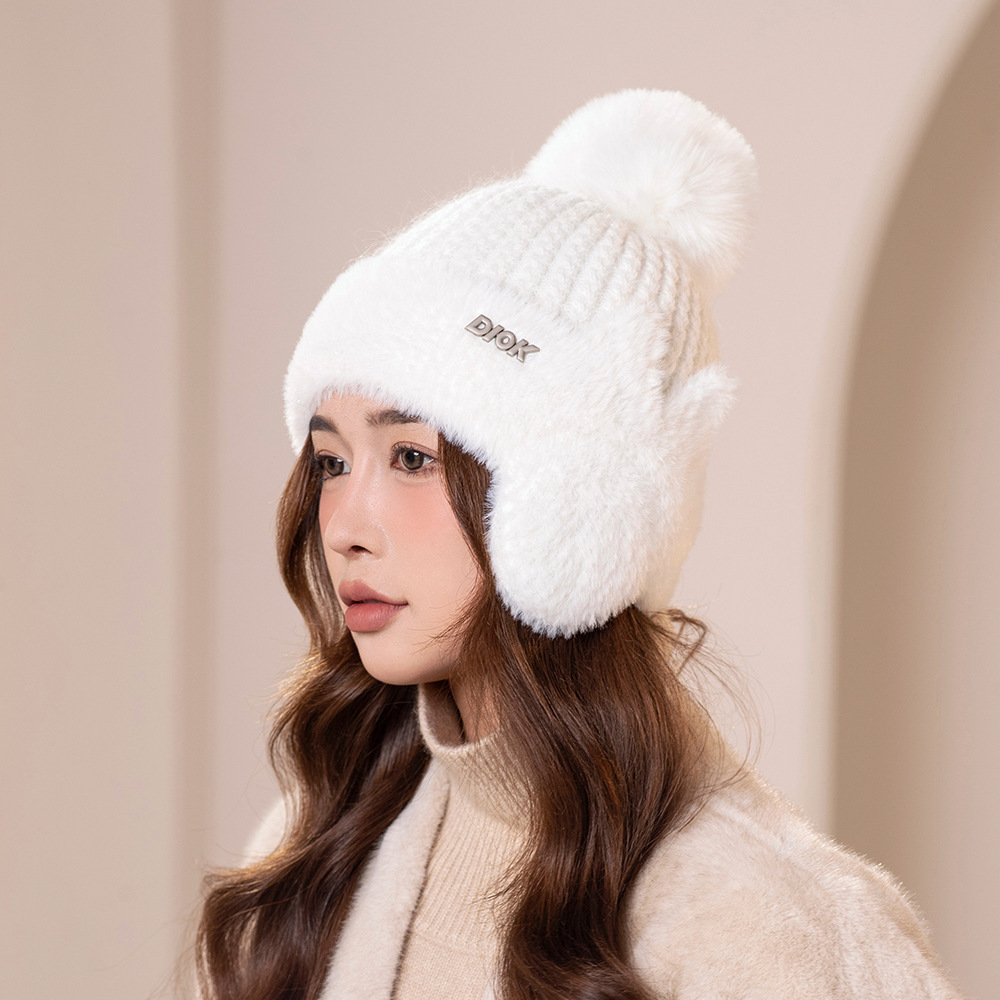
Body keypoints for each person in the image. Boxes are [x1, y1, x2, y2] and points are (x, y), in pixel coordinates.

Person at [194, 90, 962, 1000]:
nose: (345, 529)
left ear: (575, 517)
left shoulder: (773, 927)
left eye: (411, 458)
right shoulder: (313, 855)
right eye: (330, 462)